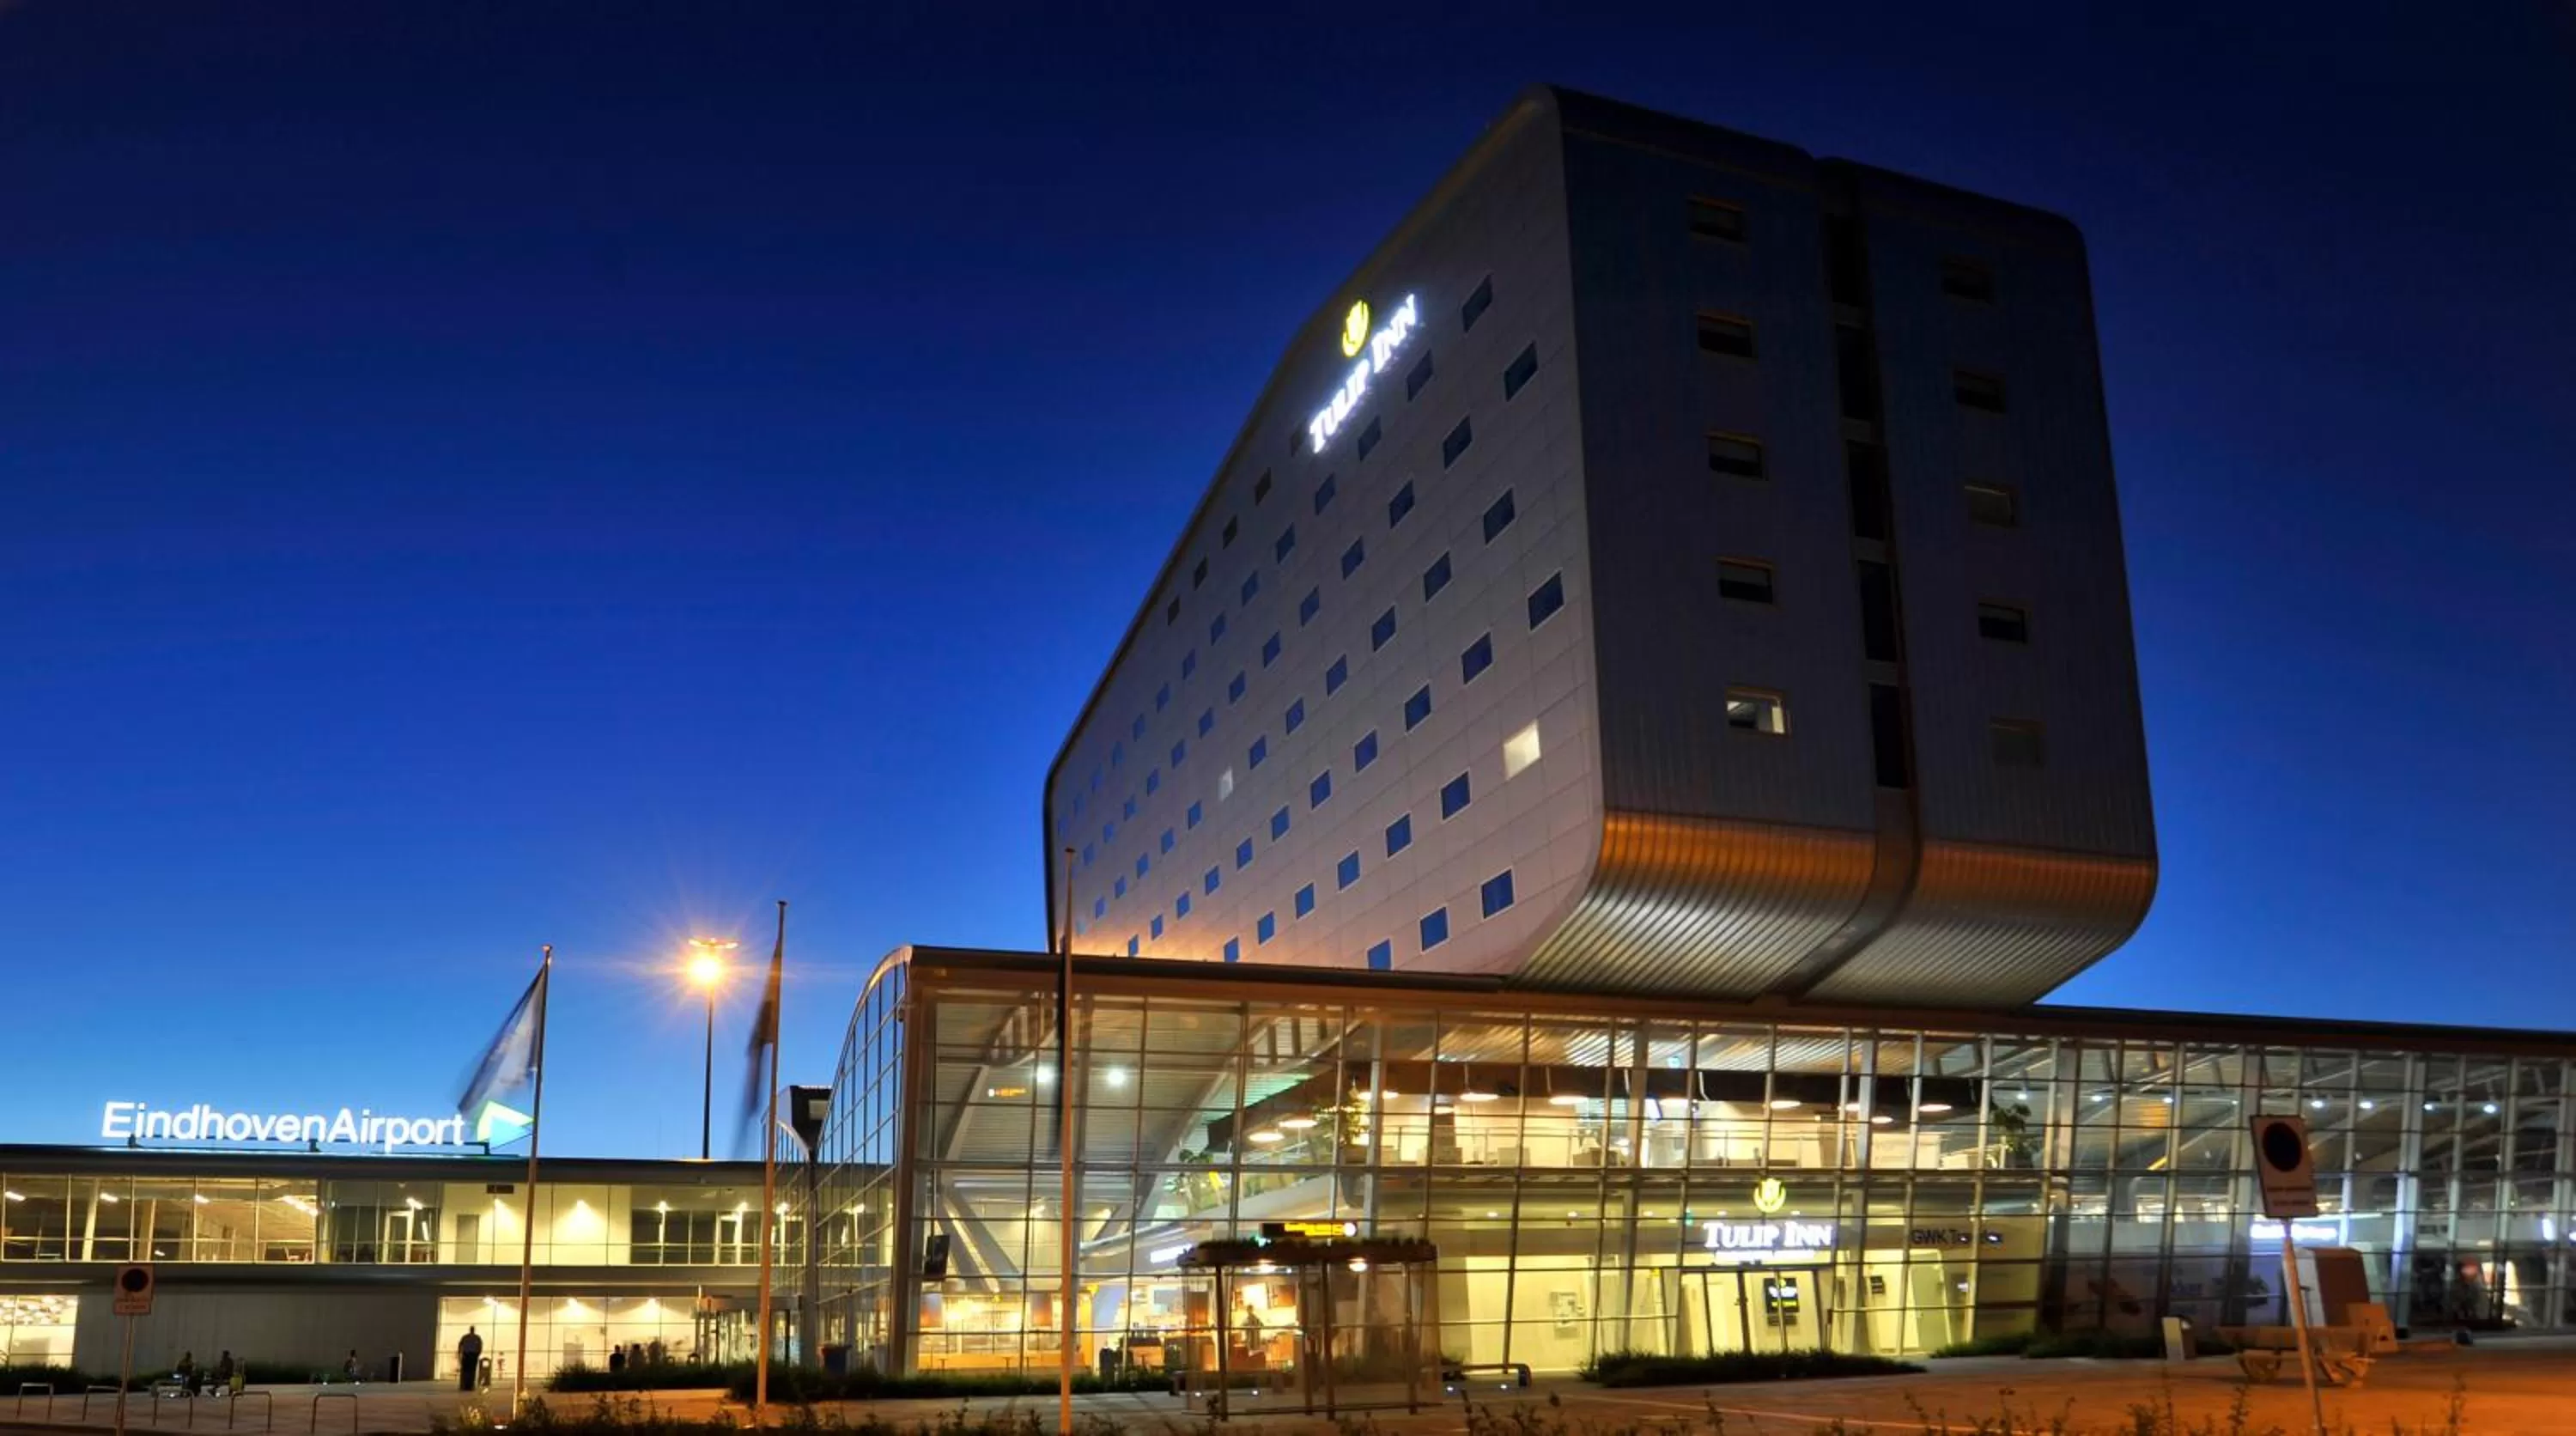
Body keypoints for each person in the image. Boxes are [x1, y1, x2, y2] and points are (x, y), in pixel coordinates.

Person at [456, 1327, 483, 1393]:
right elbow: (480, 1346)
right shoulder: (477, 1337)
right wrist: (478, 1353)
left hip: (467, 1355)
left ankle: (465, 1386)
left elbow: (460, 1344)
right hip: (472, 1355)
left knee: (466, 1371)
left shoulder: (466, 1337)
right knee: (471, 1371)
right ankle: (469, 1386)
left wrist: (459, 1352)